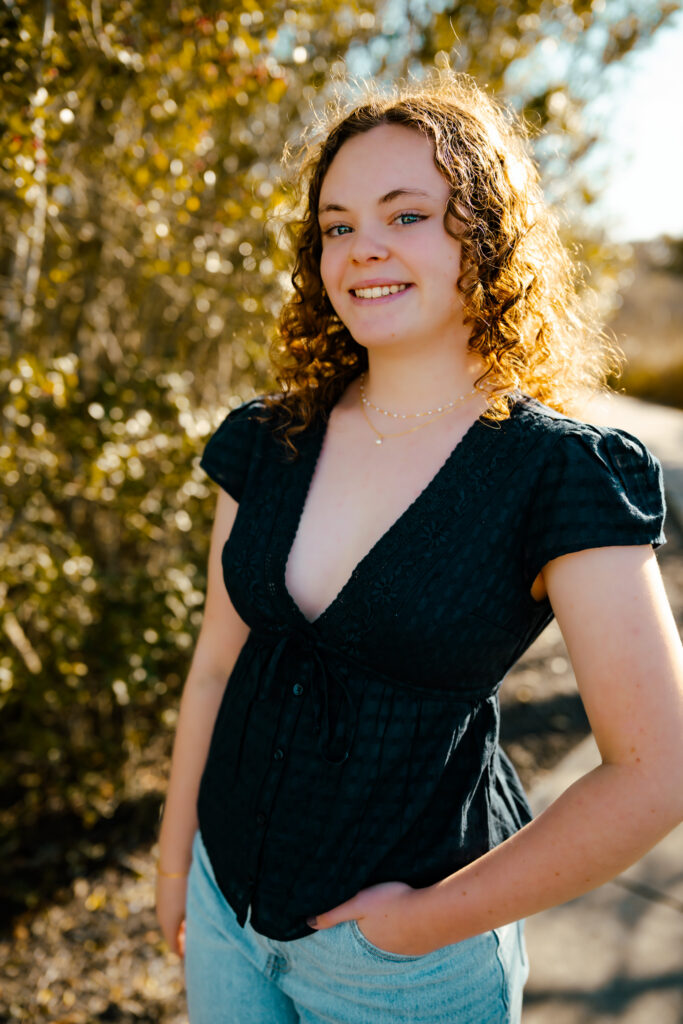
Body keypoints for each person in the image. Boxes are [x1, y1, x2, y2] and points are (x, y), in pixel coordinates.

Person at [155, 70, 683, 1023]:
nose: (364, 250)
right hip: (221, 910)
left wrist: (424, 923)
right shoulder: (266, 439)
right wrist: (175, 856)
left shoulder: (558, 474)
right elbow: (214, 667)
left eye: (406, 215)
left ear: (479, 235)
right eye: (338, 225)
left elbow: (658, 770)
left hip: (404, 973)